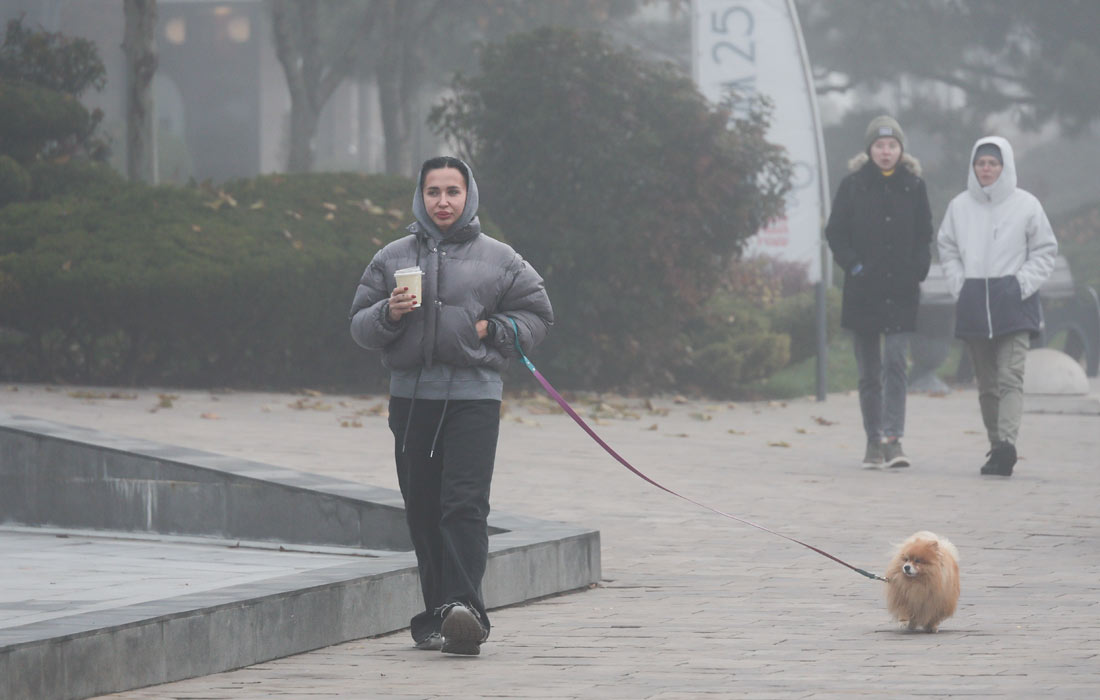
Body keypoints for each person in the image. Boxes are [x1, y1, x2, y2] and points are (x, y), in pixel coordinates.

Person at [349, 156, 553, 654]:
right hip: (412, 399)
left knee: (463, 505)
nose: (443, 201)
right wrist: (388, 313)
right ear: (420, 197)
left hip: (473, 399)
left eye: (453, 191)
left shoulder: (501, 258)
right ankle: (439, 614)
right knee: (423, 508)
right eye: (434, 191)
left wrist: (495, 329)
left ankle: (468, 610)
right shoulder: (392, 257)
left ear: (469, 197)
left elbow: (538, 314)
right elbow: (359, 326)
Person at [937, 136, 1057, 477]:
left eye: (992, 163)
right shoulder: (959, 207)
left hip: (1014, 305)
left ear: (1004, 166)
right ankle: (996, 447)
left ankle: (1007, 443)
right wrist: (959, 284)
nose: (986, 169)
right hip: (974, 303)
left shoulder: (1027, 205)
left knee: (1010, 378)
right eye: (981, 163)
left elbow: (1045, 249)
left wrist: (1021, 283)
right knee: (987, 384)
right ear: (973, 167)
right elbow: (946, 246)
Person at [825, 115, 933, 468]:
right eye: (879, 146)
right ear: (869, 149)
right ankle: (873, 440)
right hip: (863, 292)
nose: (886, 152)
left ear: (901, 150)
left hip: (901, 290)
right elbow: (835, 232)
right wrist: (854, 265)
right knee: (868, 370)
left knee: (896, 363)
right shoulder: (853, 185)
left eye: (892, 146)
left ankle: (893, 439)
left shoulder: (914, 186)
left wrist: (918, 268)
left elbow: (924, 234)